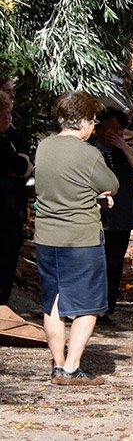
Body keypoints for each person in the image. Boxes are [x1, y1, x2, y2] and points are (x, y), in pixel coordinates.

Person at [35, 91, 119, 385]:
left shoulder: (43, 147)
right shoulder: (88, 153)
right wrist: (100, 194)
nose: (95, 128)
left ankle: (58, 365)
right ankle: (72, 367)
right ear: (82, 121)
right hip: (81, 239)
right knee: (89, 305)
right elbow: (111, 183)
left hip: (46, 236)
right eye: (94, 122)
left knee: (54, 302)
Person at [90, 107, 133, 324]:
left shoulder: (122, 153)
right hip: (98, 219)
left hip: (122, 218)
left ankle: (106, 309)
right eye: (110, 129)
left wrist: (123, 145)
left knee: (115, 265)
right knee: (95, 263)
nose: (114, 134)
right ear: (99, 129)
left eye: (119, 130)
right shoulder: (91, 151)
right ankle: (89, 308)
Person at [0, 81, 33, 305]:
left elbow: (26, 154)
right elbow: (20, 165)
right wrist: (23, 165)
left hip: (13, 214)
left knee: (10, 258)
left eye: (8, 113)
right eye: (2, 114)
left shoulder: (8, 134)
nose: (7, 118)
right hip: (3, 211)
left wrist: (23, 163)